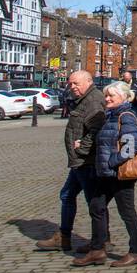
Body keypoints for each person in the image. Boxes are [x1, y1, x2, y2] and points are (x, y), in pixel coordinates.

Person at [74, 81, 137, 268]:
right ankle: (97, 250)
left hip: (120, 174)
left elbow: (130, 147)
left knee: (127, 212)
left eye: (111, 96)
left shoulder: (126, 116)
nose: (106, 99)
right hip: (106, 174)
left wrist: (111, 162)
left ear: (122, 97)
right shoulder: (110, 116)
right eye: (106, 95)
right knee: (96, 207)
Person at [37, 69, 108, 253]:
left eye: (76, 83)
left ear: (88, 81)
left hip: (86, 161)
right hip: (79, 161)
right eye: (70, 83)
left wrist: (83, 148)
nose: (72, 87)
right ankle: (67, 237)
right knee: (69, 196)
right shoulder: (84, 99)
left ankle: (98, 241)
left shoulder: (93, 100)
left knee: (92, 201)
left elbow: (97, 130)